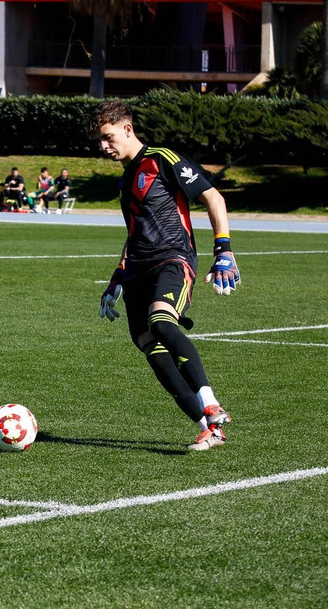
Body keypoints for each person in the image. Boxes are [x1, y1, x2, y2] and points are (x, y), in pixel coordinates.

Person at [95, 99, 240, 451]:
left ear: (127, 129)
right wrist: (116, 278)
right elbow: (134, 234)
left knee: (161, 322)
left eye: (108, 137)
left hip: (173, 259)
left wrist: (223, 250)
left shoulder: (162, 159)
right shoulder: (125, 180)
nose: (103, 146)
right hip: (137, 270)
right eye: (100, 140)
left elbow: (213, 197)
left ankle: (210, 402)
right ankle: (209, 428)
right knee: (152, 349)